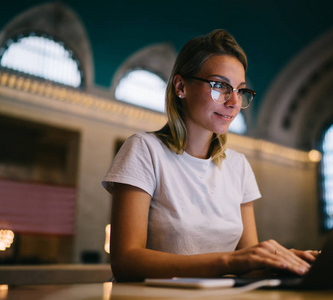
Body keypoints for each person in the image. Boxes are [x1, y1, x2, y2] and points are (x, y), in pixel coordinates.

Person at [102, 29, 319, 282]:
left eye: (240, 90)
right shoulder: (144, 150)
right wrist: (228, 261)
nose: (234, 102)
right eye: (220, 86)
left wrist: (285, 260)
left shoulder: (238, 165)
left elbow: (247, 262)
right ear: (181, 86)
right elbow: (125, 261)